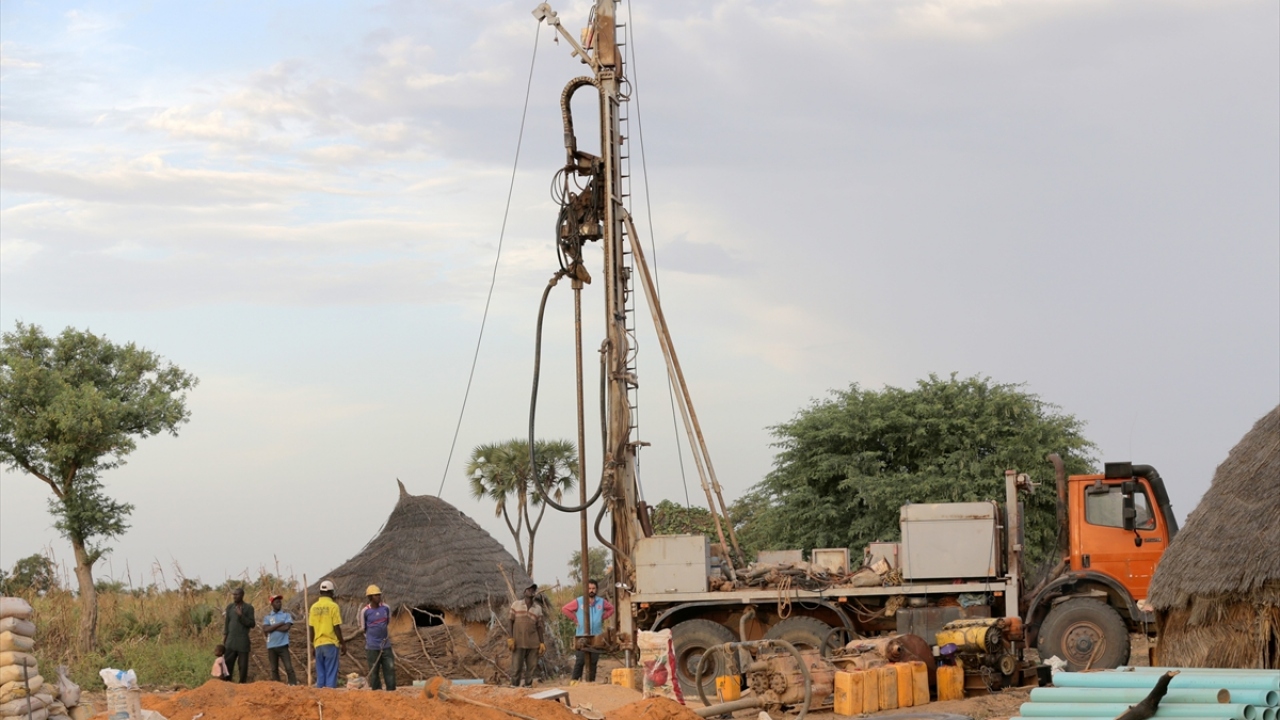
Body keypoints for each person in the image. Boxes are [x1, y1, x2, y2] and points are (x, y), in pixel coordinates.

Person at [560, 579, 614, 684]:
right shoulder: (579, 601)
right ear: (586, 590)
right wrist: (575, 619)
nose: (591, 590)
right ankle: (574, 683)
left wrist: (602, 617)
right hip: (581, 636)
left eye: (593, 588)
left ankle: (590, 683)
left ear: (597, 589)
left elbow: (611, 609)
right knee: (580, 661)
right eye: (589, 588)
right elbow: (565, 609)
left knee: (593, 662)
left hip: (596, 636)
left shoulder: (601, 602)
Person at [354, 584, 396, 691]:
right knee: (374, 671)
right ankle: (377, 692)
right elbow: (363, 627)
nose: (378, 597)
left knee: (390, 668)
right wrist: (370, 639)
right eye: (376, 595)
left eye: (379, 595)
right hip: (372, 646)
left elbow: (387, 622)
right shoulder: (365, 611)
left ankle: (391, 690)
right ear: (370, 597)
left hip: (385, 644)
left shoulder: (386, 608)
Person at [308, 580, 346, 689]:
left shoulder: (313, 607)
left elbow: (311, 629)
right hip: (330, 643)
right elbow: (336, 627)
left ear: (320, 592)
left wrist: (312, 644)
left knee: (320, 673)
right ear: (331, 593)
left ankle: (320, 697)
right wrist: (342, 643)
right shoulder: (333, 606)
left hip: (318, 644)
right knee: (331, 672)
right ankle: (330, 696)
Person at [507, 583, 545, 687]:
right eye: (529, 589)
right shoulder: (516, 605)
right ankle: (514, 689)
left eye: (533, 590)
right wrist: (510, 638)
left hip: (533, 644)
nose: (531, 591)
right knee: (516, 669)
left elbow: (539, 627)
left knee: (531, 669)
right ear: (524, 592)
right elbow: (510, 621)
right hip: (518, 642)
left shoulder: (538, 608)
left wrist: (542, 643)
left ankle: (528, 688)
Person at [262, 594, 298, 685]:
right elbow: (265, 629)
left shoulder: (286, 615)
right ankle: (277, 686)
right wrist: (280, 624)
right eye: (276, 602)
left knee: (288, 667)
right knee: (274, 668)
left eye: (279, 601)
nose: (279, 603)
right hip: (271, 646)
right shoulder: (268, 617)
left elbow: (286, 628)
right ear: (272, 604)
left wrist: (272, 627)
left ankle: (293, 684)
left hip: (283, 645)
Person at [222, 587, 255, 683]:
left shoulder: (249, 608)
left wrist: (241, 615)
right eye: (234, 595)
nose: (234, 596)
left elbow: (252, 624)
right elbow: (227, 623)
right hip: (230, 641)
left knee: (243, 666)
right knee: (228, 665)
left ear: (242, 595)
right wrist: (225, 637)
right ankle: (227, 684)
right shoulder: (230, 607)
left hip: (242, 641)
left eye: (237, 594)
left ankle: (242, 685)